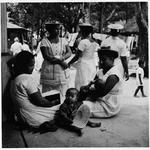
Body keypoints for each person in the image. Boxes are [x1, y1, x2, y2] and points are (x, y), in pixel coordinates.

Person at [10, 51, 60, 129]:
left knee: (54, 93)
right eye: (31, 65)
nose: (33, 68)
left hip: (21, 115)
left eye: (33, 65)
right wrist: (52, 103)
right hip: (32, 116)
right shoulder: (27, 78)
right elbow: (40, 101)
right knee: (61, 107)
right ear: (22, 65)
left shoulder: (15, 78)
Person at [82, 47, 123, 118]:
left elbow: (102, 93)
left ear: (112, 60)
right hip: (99, 99)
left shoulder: (113, 75)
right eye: (100, 59)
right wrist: (86, 88)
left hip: (108, 105)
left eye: (104, 59)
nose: (101, 62)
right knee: (75, 101)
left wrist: (87, 95)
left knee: (79, 107)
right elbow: (92, 84)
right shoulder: (100, 71)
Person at [40, 22, 72, 102]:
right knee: (49, 94)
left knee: (62, 91)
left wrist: (62, 57)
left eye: (59, 29)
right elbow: (47, 56)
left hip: (61, 72)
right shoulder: (45, 41)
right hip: (49, 70)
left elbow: (69, 53)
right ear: (50, 30)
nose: (58, 31)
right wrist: (61, 62)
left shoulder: (63, 40)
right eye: (55, 29)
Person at [68, 23, 98, 90]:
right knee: (88, 81)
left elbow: (77, 56)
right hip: (91, 63)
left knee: (81, 82)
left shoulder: (83, 42)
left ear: (83, 32)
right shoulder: (94, 42)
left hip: (83, 65)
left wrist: (69, 63)